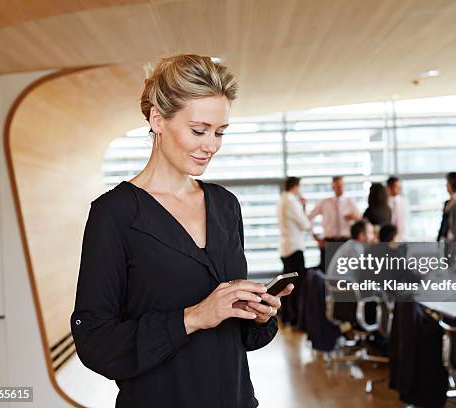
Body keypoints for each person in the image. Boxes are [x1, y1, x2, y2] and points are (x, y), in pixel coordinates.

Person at [70, 55, 292, 408]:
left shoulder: (225, 206)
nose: (211, 145)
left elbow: (239, 337)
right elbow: (95, 342)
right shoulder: (114, 214)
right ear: (158, 119)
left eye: (220, 133)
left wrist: (258, 314)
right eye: (199, 130)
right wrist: (194, 317)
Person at [277, 176, 310, 325]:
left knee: (287, 285)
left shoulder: (282, 200)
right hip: (294, 248)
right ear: (295, 187)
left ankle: (286, 316)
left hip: (285, 247)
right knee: (297, 286)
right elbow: (305, 224)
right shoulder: (292, 201)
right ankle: (296, 318)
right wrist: (304, 206)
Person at [309, 176, 361, 271]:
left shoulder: (350, 203)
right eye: (337, 186)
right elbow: (309, 218)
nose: (340, 188)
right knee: (326, 270)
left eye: (342, 186)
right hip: (328, 242)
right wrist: (315, 237)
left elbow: (361, 222)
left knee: (345, 270)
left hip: (346, 242)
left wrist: (354, 218)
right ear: (333, 187)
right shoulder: (324, 203)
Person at [386, 176, 409, 241]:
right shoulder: (386, 202)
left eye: (400, 186)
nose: (399, 189)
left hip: (403, 236)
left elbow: (406, 218)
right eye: (396, 186)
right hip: (390, 237)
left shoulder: (404, 201)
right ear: (389, 187)